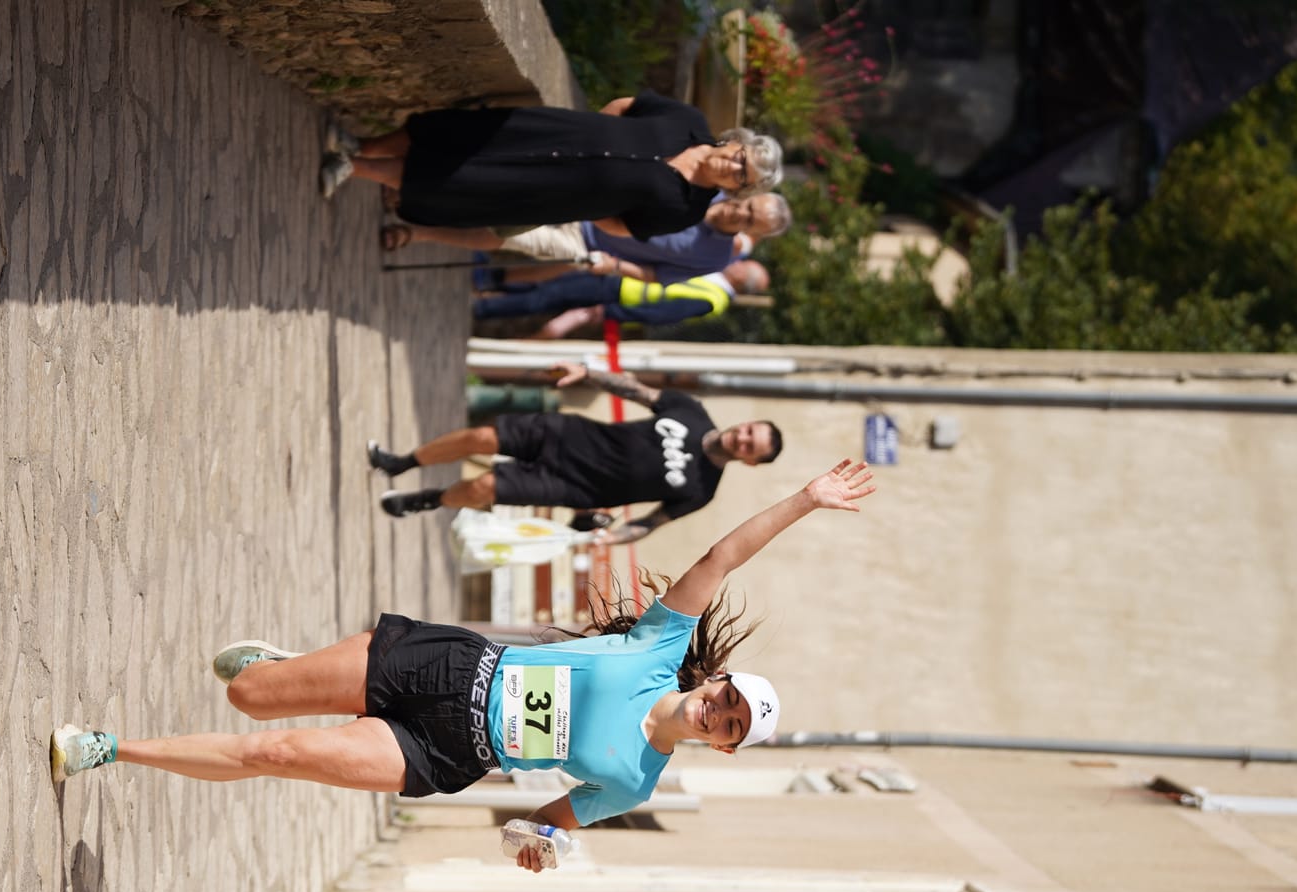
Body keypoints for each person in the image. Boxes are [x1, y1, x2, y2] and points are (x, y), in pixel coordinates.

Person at [49, 462, 877, 866]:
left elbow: (551, 818)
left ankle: (108, 747)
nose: (718, 715)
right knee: (249, 695)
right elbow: (723, 553)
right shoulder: (659, 649)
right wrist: (805, 501)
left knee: (277, 754)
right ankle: (285, 666)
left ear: (725, 747)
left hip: (448, 753)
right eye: (726, 699)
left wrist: (535, 841)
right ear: (712, 680)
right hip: (448, 668)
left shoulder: (634, 783)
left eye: (730, 729)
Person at [367, 362, 781, 544]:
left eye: (750, 446)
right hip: (570, 435)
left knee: (484, 486)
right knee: (481, 438)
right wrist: (590, 374)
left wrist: (609, 538)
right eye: (748, 431)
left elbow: (651, 523)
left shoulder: (702, 490)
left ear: (749, 461)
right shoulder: (691, 412)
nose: (741, 439)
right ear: (744, 424)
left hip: (573, 487)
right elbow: (637, 391)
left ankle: (429, 500)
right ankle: (404, 461)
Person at [327, 92, 781, 240]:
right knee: (458, 133)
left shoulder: (688, 209)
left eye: (744, 176)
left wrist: (587, 195)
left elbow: (620, 226)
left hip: (554, 191)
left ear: (740, 188)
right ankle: (364, 143)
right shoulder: (689, 121)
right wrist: (594, 134)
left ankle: (354, 167)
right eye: (741, 157)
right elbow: (626, 104)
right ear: (736, 143)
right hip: (553, 132)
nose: (734, 167)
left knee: (461, 181)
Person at [384, 193, 793, 282]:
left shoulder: (714, 256)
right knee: (506, 204)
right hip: (588, 199)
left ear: (753, 232)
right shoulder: (707, 186)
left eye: (750, 220)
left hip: (589, 245)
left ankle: (419, 231)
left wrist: (614, 266)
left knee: (508, 238)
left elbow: (657, 275)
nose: (740, 213)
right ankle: (417, 200)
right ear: (749, 195)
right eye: (748, 205)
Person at [473, 260, 769, 335]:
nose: (738, 263)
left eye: (745, 266)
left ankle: (483, 307)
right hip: (620, 275)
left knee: (548, 296)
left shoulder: (713, 299)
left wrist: (612, 312)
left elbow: (661, 313)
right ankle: (491, 286)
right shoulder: (715, 273)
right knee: (553, 280)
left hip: (618, 292)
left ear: (744, 281)